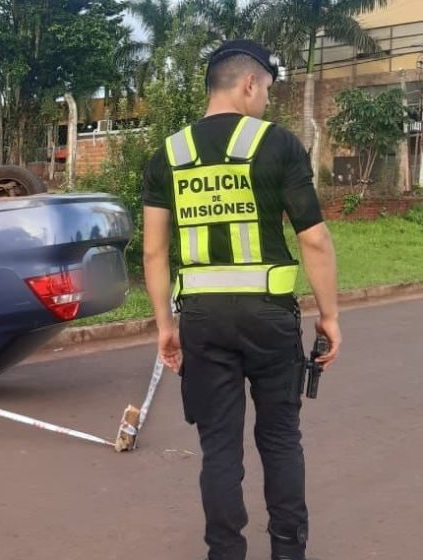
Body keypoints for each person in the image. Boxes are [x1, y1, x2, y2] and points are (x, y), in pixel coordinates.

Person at [141, 39, 341, 560]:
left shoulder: (170, 153)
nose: (267, 102)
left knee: (219, 449)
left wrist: (166, 325)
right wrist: (330, 316)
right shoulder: (278, 145)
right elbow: (314, 238)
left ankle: (224, 552)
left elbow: (154, 252)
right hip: (269, 320)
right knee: (279, 440)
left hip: (203, 322)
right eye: (268, 90)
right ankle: (287, 551)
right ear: (249, 83)